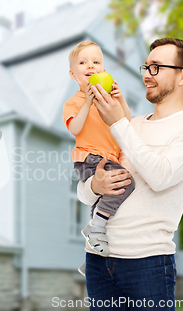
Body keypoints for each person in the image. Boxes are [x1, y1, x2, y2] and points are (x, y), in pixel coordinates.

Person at [78, 38, 183, 310]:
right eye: (146, 67)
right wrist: (95, 183)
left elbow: (160, 176)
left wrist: (117, 123)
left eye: (156, 68)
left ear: (182, 76)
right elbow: (84, 193)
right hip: (97, 259)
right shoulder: (131, 126)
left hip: (148, 263)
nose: (146, 75)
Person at [62, 40, 136, 263]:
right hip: (88, 158)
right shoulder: (73, 102)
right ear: (73, 74)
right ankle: (95, 228)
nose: (90, 66)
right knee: (127, 183)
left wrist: (120, 98)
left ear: (103, 70)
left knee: (101, 202)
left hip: (106, 158)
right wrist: (87, 103)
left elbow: (126, 121)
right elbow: (75, 128)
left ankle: (93, 252)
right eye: (83, 63)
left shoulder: (109, 100)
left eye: (96, 62)